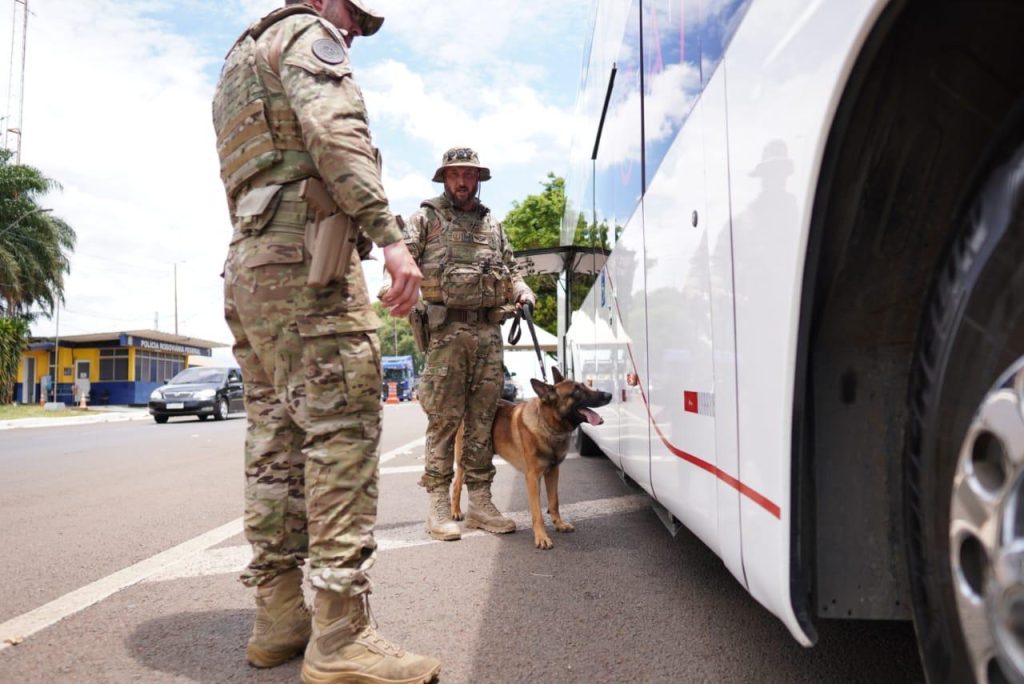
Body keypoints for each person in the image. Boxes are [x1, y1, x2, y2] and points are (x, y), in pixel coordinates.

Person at [212, 2, 440, 683]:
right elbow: (334, 136)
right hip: (307, 260)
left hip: (250, 264)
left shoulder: (237, 60)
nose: (352, 37)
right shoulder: (310, 38)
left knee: (274, 442)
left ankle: (279, 618)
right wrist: (392, 240)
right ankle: (342, 634)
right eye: (353, 20)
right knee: (340, 430)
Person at [397, 147, 536, 542]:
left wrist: (523, 292)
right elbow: (403, 262)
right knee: (444, 421)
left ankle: (480, 503)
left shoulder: (493, 223)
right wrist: (401, 290)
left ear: (478, 179)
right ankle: (439, 505)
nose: (462, 181)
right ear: (444, 178)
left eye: (469, 175)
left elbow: (510, 270)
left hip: (489, 336)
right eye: (456, 174)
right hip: (446, 335)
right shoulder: (426, 218)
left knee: (482, 423)